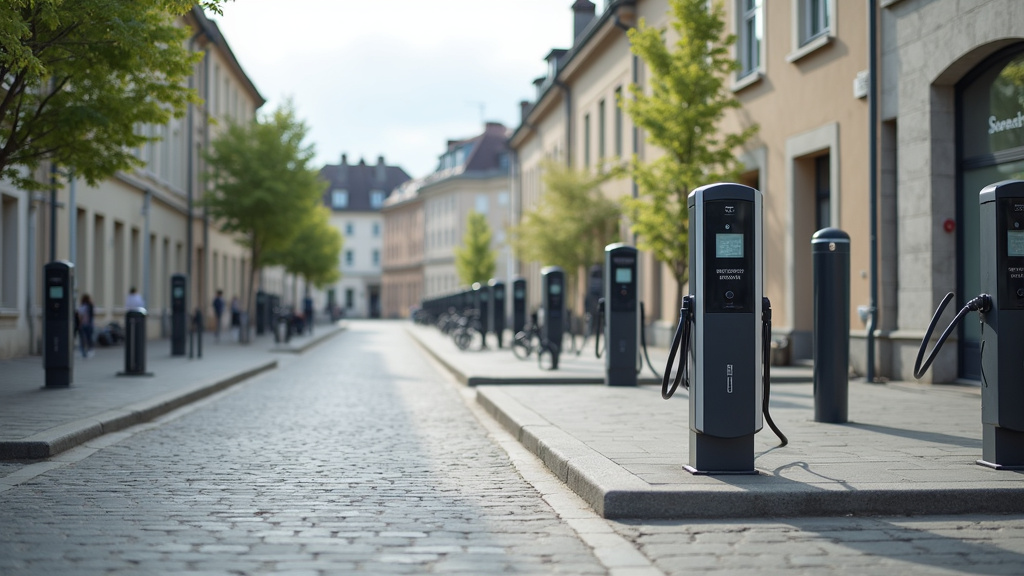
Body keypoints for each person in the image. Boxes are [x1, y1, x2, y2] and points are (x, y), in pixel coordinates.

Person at [77, 294, 95, 358]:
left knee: (83, 339)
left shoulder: (83, 306)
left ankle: (84, 351)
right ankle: (89, 350)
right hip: (88, 324)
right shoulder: (90, 306)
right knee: (88, 338)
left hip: (83, 324)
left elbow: (80, 316)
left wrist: (79, 324)